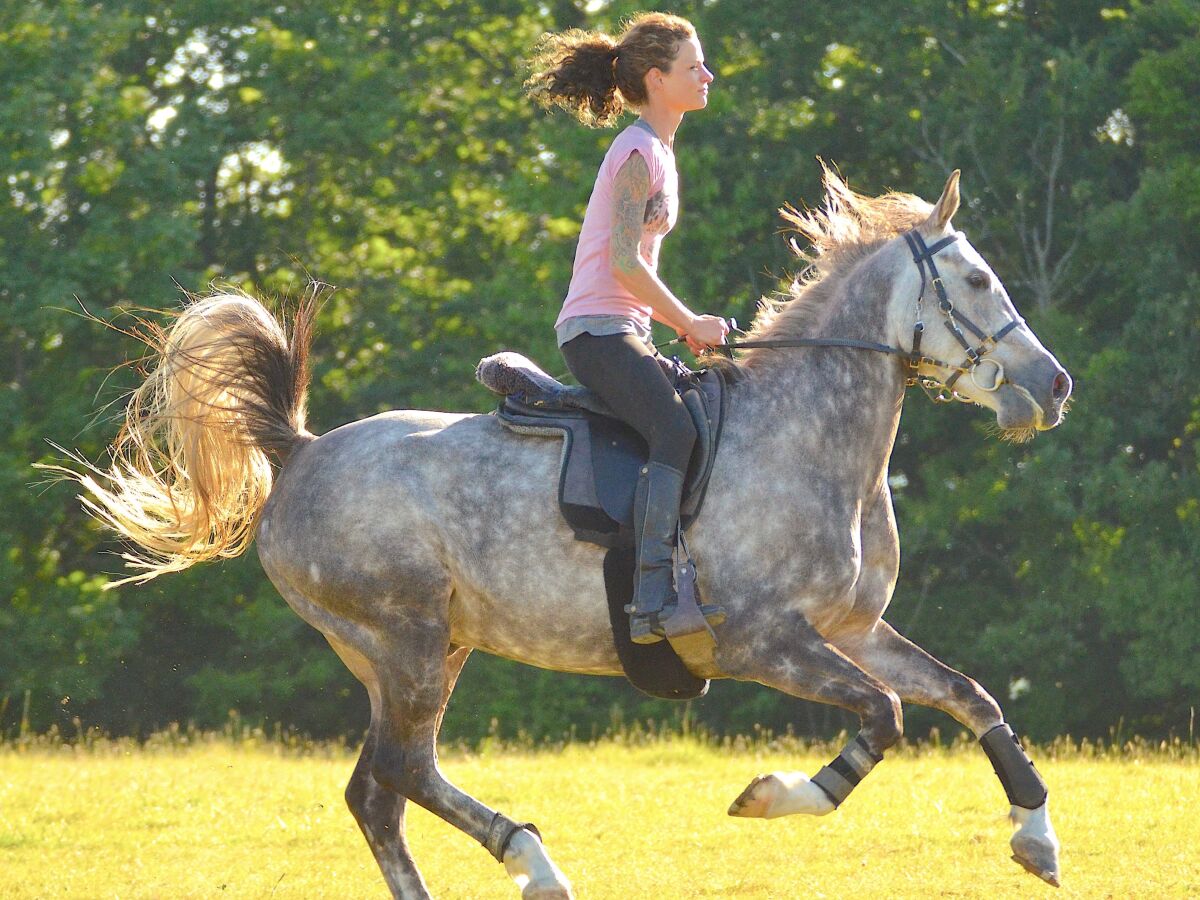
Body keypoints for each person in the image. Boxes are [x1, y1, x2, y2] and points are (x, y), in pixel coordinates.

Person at [526, 13, 728, 644]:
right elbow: (621, 262)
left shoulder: (659, 150)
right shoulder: (638, 151)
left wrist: (681, 326)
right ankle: (650, 599)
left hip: (625, 328)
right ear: (656, 78)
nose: (708, 75)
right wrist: (689, 320)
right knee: (672, 426)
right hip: (596, 332)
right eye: (693, 66)